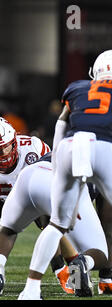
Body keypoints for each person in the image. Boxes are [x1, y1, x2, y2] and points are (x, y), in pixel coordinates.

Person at [18, 49, 112, 300]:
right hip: (104, 149)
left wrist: (59, 178)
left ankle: (31, 289)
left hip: (70, 148)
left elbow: (60, 128)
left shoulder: (78, 88)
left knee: (57, 224)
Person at [0, 153, 108, 297]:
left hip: (29, 174)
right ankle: (82, 266)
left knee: (8, 230)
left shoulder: (63, 140)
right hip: (67, 183)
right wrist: (106, 276)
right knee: (99, 253)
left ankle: (11, 276)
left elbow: (47, 222)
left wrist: (59, 266)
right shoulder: (104, 159)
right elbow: (108, 223)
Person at [0, 117, 77, 295]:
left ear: (15, 141)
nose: (4, 153)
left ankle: (66, 270)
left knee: (54, 220)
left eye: (7, 146)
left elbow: (53, 183)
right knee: (8, 228)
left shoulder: (33, 148)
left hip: (30, 196)